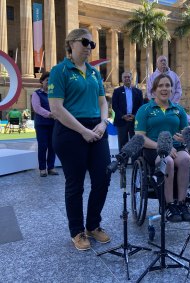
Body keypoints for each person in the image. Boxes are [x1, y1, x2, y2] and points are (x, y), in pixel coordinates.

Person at [48, 28, 111, 251]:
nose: (89, 47)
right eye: (85, 42)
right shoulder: (60, 70)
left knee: (103, 179)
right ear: (71, 43)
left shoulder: (94, 73)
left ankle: (93, 224)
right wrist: (83, 131)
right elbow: (56, 108)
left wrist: (103, 123)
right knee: (75, 184)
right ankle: (77, 231)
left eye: (92, 44)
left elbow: (103, 102)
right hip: (70, 130)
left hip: (97, 127)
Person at [135, 74, 190, 223]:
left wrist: (185, 137)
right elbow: (140, 137)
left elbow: (186, 132)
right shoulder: (145, 109)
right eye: (161, 86)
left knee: (186, 159)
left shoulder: (178, 110)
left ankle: (181, 202)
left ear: (172, 89)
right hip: (154, 148)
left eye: (167, 85)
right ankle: (168, 205)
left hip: (176, 148)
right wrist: (162, 146)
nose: (164, 89)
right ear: (154, 90)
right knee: (168, 162)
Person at [31, 72, 58, 177]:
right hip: (41, 124)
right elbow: (37, 108)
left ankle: (51, 167)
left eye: (51, 80)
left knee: (53, 146)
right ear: (42, 81)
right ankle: (42, 169)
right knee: (43, 146)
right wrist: (50, 114)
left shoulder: (55, 94)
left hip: (54, 123)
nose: (49, 82)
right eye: (47, 80)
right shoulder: (36, 94)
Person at [112, 71, 143, 151]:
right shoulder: (117, 91)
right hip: (121, 121)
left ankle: (135, 162)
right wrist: (123, 116)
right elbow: (114, 106)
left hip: (134, 122)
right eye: (125, 77)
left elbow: (141, 106)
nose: (127, 78)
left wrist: (135, 115)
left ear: (131, 78)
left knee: (135, 143)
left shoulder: (138, 92)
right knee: (122, 144)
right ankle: (123, 163)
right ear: (122, 79)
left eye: (128, 77)